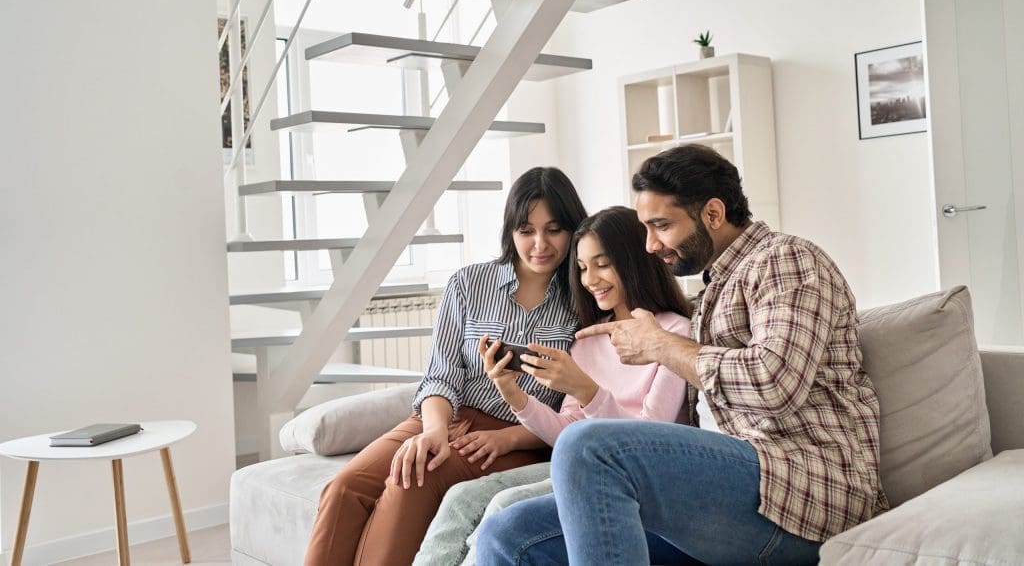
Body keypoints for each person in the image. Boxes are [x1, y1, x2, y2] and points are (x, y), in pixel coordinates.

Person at [476, 145, 889, 564]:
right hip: (727, 492)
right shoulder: (713, 290)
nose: (651, 246)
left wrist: (659, 345)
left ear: (712, 213)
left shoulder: (786, 260)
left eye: (661, 226)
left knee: (589, 445)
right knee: (506, 533)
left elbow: (774, 382)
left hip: (801, 490)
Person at [304, 166, 587, 566]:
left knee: (413, 480)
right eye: (526, 230)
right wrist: (434, 430)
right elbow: (441, 374)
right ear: (511, 231)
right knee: (343, 487)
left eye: (554, 230)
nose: (540, 243)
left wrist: (509, 438)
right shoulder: (468, 283)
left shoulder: (584, 300)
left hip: (520, 435)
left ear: (573, 231)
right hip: (444, 416)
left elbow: (577, 411)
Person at [413, 206, 692, 566]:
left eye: (602, 264)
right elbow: (566, 433)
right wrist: (512, 391)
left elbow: (649, 440)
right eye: (582, 267)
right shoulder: (587, 341)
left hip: (635, 479)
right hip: (577, 463)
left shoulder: (673, 334)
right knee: (461, 499)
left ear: (634, 260)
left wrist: (587, 391)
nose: (590, 279)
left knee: (502, 507)